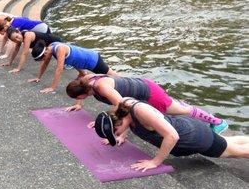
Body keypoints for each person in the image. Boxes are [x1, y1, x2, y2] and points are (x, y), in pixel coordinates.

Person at [94, 98, 249, 172]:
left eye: (115, 132)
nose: (116, 135)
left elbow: (172, 136)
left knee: (236, 153)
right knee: (227, 142)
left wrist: (155, 162)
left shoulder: (140, 111)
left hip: (195, 138)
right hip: (192, 130)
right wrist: (121, 136)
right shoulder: (123, 110)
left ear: (117, 122)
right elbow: (127, 122)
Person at [65, 74, 228, 134]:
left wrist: (121, 133)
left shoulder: (101, 87)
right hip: (141, 87)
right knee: (174, 106)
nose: (78, 99)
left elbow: (123, 106)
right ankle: (174, 102)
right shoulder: (87, 81)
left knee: (179, 110)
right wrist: (80, 105)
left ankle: (219, 123)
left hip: (148, 93)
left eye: (78, 98)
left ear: (82, 93)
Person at [28, 40, 117, 93]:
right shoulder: (51, 47)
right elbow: (45, 64)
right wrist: (38, 77)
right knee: (82, 73)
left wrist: (52, 87)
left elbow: (59, 69)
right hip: (83, 61)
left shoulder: (59, 49)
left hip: (92, 60)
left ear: (46, 49)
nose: (44, 60)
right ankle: (82, 73)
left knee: (112, 76)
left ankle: (129, 82)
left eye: (43, 57)